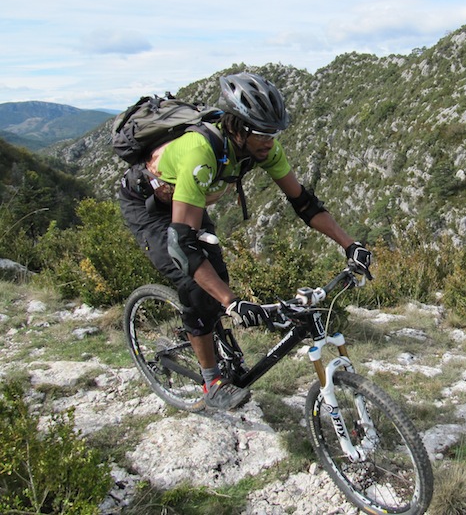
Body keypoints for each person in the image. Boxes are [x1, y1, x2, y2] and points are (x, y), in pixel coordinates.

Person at [118, 72, 372, 410]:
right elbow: (182, 245)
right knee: (197, 287)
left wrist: (349, 244)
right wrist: (233, 302)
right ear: (237, 126)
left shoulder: (265, 149)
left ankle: (221, 344)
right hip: (149, 207)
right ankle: (212, 382)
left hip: (189, 201)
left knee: (216, 278)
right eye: (262, 133)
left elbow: (304, 203)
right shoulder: (199, 153)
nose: (270, 141)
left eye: (274, 132)